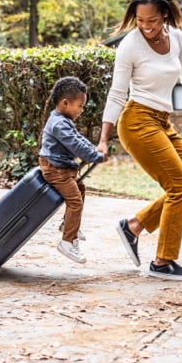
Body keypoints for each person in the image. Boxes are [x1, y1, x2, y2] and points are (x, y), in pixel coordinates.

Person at [97, 0, 182, 281]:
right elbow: (117, 94)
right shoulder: (130, 45)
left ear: (165, 15)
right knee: (179, 187)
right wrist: (104, 140)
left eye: (152, 21)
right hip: (136, 121)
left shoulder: (178, 38)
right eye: (140, 20)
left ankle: (133, 226)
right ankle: (162, 262)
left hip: (161, 121)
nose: (146, 27)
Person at [39, 76, 106, 264]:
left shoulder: (63, 120)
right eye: (80, 105)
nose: (82, 110)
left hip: (62, 168)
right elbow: (74, 144)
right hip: (55, 170)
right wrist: (94, 156)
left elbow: (78, 138)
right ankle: (67, 241)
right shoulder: (59, 124)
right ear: (65, 102)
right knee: (75, 201)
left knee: (80, 189)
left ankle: (69, 225)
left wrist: (94, 150)